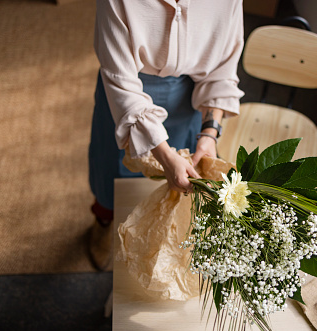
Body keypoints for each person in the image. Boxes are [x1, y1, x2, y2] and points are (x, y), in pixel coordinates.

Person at [89, 0, 245, 271]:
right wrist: (162, 152)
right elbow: (120, 81)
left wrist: (209, 133)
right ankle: (103, 221)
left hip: (189, 97)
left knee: (178, 186)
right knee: (111, 174)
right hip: (125, 94)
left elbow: (222, 70)